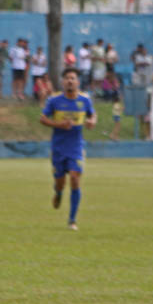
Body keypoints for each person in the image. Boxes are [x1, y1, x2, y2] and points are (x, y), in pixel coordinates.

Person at [39, 68, 97, 230]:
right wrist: (59, 124)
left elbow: (92, 115)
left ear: (77, 82)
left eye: (73, 78)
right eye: (67, 78)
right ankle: (58, 192)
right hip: (58, 147)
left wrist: (92, 122)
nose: (70, 81)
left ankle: (72, 220)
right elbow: (42, 119)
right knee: (60, 183)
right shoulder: (54, 100)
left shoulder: (85, 100)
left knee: (74, 178)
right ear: (63, 82)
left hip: (76, 146)